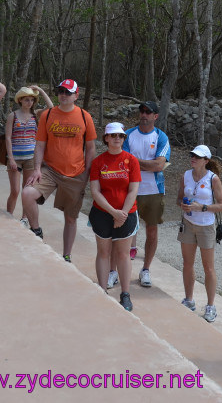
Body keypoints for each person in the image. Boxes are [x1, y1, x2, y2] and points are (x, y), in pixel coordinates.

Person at [21, 78, 96, 262]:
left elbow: (91, 148)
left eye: (67, 92)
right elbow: (39, 145)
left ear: (76, 96)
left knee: (70, 218)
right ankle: (36, 230)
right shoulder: (48, 115)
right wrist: (37, 168)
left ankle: (66, 255)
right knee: (27, 193)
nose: (63, 95)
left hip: (75, 173)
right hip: (50, 170)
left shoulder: (85, 117)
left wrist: (87, 174)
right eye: (60, 91)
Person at [117, 100, 171, 290]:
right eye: (142, 111)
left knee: (152, 231)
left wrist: (136, 162)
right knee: (122, 229)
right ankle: (115, 270)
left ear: (156, 116)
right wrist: (149, 163)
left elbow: (159, 165)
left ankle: (145, 269)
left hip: (153, 191)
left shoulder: (161, 137)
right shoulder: (128, 135)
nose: (144, 115)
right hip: (128, 189)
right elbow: (123, 161)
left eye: (148, 112)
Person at [88, 122, 141, 311]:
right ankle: (102, 291)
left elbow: (133, 189)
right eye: (113, 136)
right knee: (103, 252)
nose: (117, 139)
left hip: (126, 213)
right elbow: (95, 191)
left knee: (123, 254)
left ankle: (125, 294)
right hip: (103, 213)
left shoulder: (131, 160)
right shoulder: (98, 161)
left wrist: (123, 214)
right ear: (107, 138)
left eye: (121, 136)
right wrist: (114, 213)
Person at [176, 145, 222, 322]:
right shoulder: (186, 176)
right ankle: (189, 300)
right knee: (187, 263)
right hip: (188, 224)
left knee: (208, 267)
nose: (193, 158)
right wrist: (183, 205)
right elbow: (179, 199)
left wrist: (202, 207)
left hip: (206, 227)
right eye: (192, 155)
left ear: (206, 161)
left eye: (197, 156)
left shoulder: (213, 179)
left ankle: (211, 306)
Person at [5, 85, 53, 218]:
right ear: (20, 100)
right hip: (15, 157)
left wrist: (41, 90)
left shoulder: (36, 114)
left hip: (31, 158)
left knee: (27, 190)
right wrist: (11, 159)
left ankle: (24, 219)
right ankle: (9, 215)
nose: (29, 102)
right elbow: (8, 138)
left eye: (32, 100)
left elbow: (50, 107)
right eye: (26, 99)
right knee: (14, 191)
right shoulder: (12, 116)